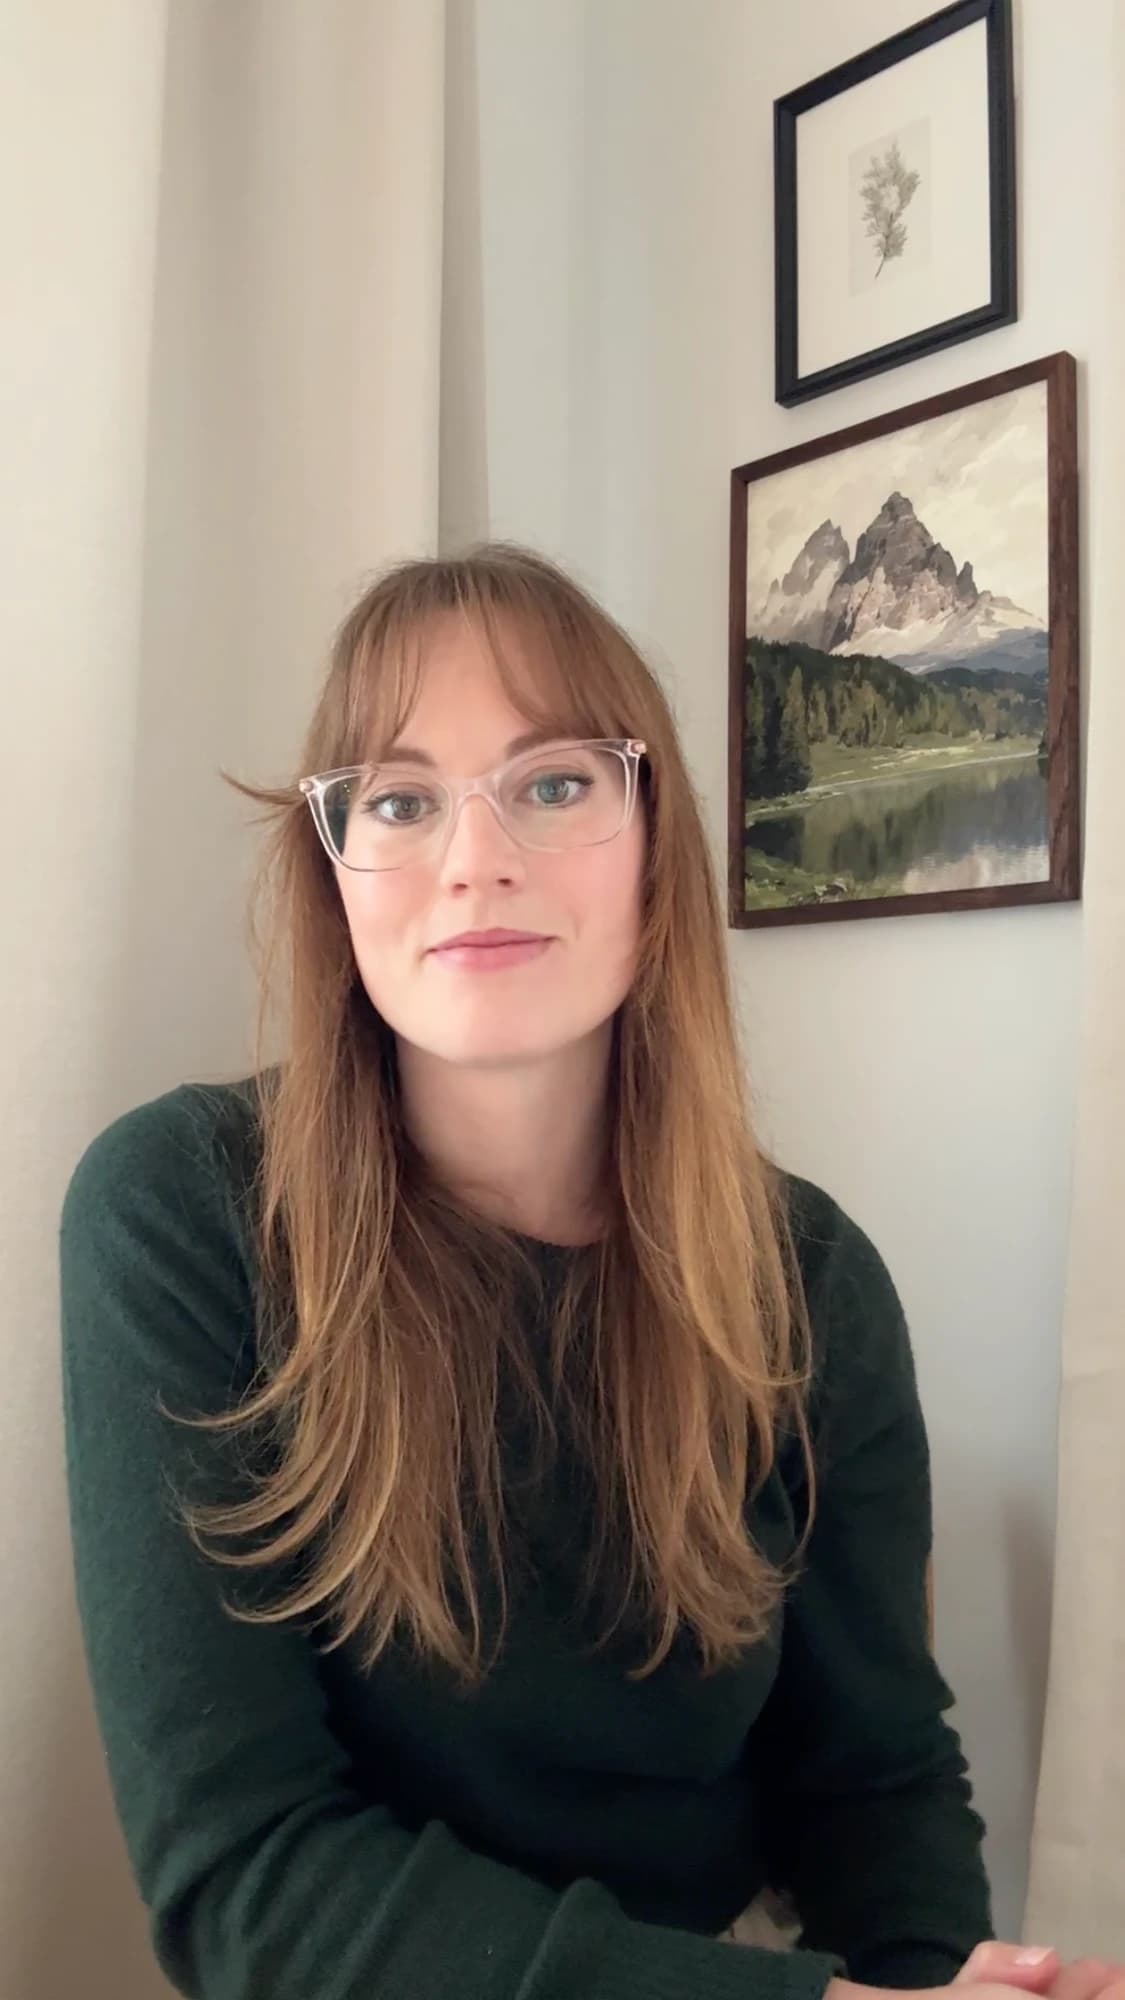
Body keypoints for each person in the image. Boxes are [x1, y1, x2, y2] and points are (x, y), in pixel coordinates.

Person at [59, 545, 1122, 2000]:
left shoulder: (811, 1277)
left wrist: (943, 1987)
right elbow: (245, 1874)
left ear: (653, 843)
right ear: (333, 868)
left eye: (554, 783)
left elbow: (875, 1780)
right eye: (399, 800)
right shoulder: (180, 1210)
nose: (473, 858)